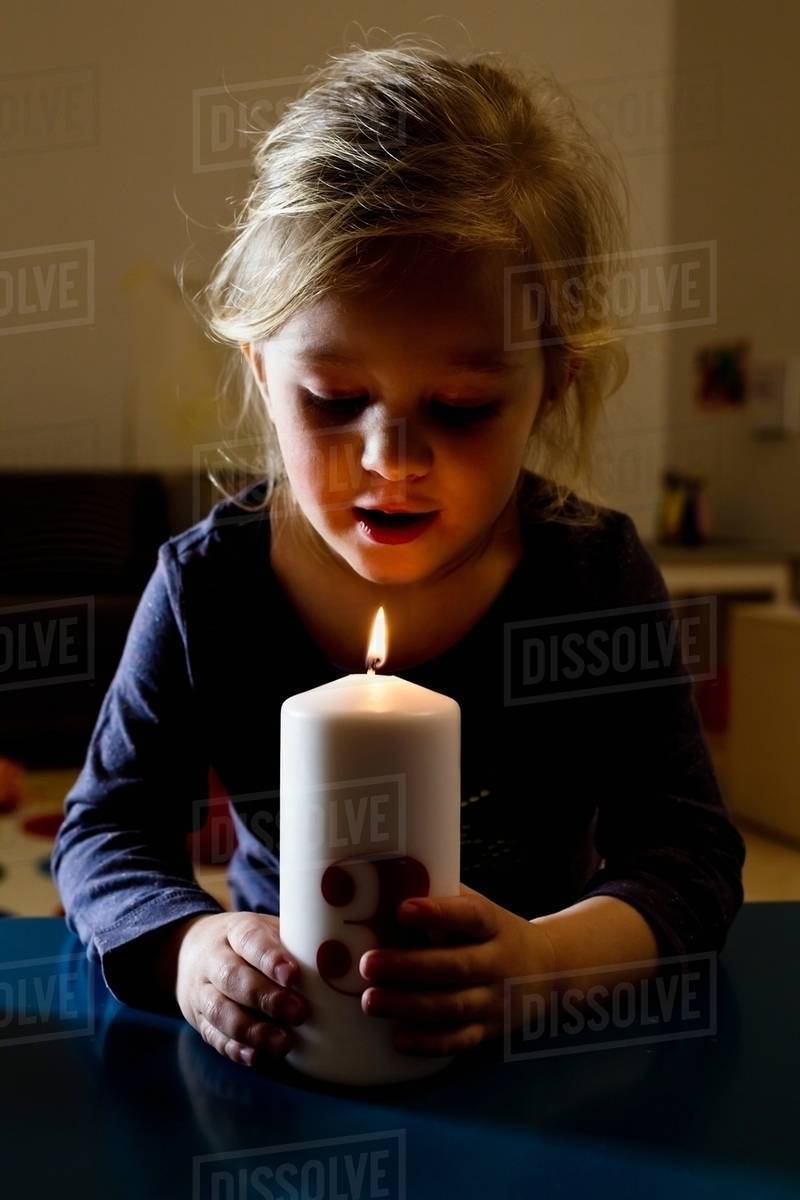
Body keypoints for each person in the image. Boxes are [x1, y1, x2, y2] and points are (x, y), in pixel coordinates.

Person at [51, 39, 746, 1072]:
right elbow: (105, 833)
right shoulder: (208, 586)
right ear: (259, 366)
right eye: (333, 401)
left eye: (460, 409)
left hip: (542, 1072)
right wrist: (192, 952)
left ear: (548, 387)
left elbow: (686, 859)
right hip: (286, 1060)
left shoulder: (589, 579)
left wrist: (543, 968)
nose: (390, 461)